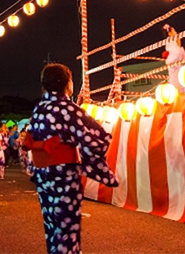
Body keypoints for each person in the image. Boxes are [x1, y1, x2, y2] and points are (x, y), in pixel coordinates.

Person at [24, 63, 118, 254]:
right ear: (68, 84)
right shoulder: (68, 109)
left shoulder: (38, 109)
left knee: (51, 222)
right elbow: (96, 137)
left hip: (43, 174)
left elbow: (32, 137)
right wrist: (95, 159)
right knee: (67, 225)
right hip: (64, 173)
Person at [162, 24, 185, 90]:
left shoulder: (174, 44)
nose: (176, 33)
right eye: (174, 31)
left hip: (179, 70)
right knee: (177, 88)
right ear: (170, 33)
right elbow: (175, 55)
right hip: (175, 69)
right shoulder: (170, 43)